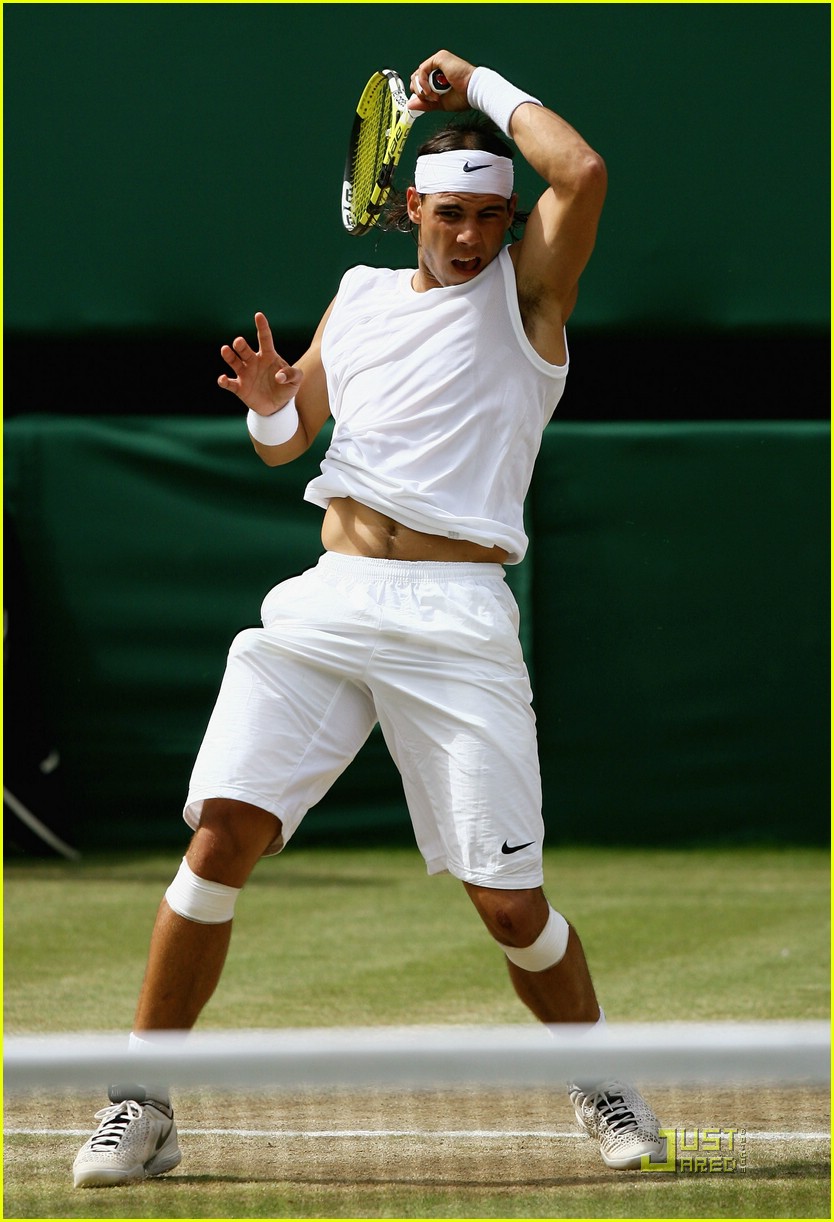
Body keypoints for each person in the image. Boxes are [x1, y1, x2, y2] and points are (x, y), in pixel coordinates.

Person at [72, 49, 664, 1188]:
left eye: (490, 218)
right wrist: (267, 407)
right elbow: (291, 438)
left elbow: (582, 172)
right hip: (329, 601)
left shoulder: (528, 296)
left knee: (510, 906)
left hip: (458, 619)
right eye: (451, 216)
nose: (472, 237)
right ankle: (139, 1103)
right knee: (221, 836)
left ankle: (603, 1079)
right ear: (410, 211)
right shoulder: (358, 297)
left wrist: (474, 83)